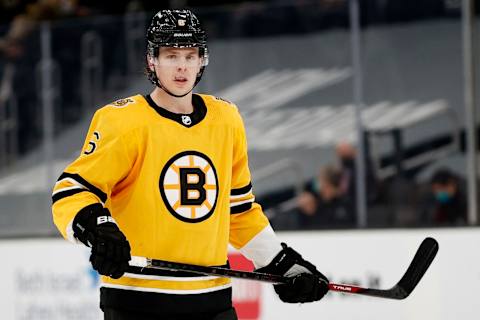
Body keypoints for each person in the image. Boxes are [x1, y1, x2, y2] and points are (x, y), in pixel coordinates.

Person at [51, 9, 329, 320]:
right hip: (138, 302)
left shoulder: (226, 120)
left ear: (202, 60)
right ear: (151, 61)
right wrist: (97, 228)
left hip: (212, 300)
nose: (182, 65)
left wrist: (280, 262)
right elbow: (72, 190)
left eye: (190, 54)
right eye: (171, 55)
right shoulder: (123, 121)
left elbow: (237, 210)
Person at [297, 164, 354, 229]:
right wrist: (308, 213)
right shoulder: (313, 200)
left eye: (321, 180)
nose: (319, 184)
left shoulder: (345, 205)